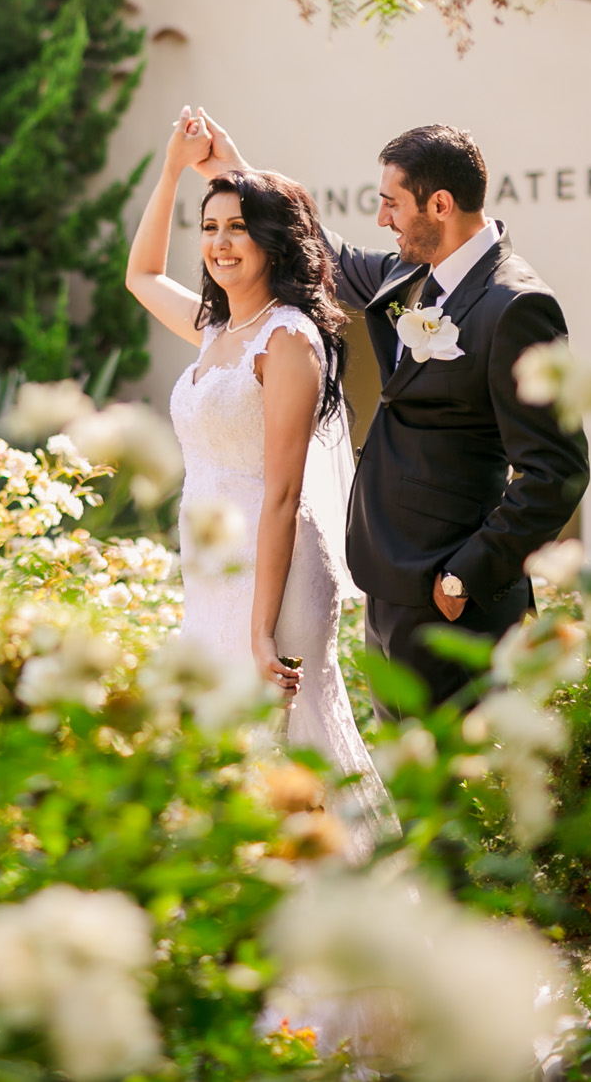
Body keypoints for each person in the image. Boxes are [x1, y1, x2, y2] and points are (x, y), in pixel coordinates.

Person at [193, 112, 589, 707]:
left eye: (392, 203)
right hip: (389, 584)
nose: (382, 219)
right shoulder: (408, 276)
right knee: (407, 783)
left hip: (453, 600)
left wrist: (465, 575)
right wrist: (234, 170)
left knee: (452, 787)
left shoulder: (517, 307)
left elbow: (557, 471)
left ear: (441, 205)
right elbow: (326, 249)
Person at [125, 107, 390, 836]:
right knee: (223, 761)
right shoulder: (218, 330)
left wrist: (261, 632)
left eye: (237, 227)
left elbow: (281, 496)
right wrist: (176, 168)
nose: (219, 244)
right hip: (212, 576)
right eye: (209, 229)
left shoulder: (289, 340)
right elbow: (141, 272)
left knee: (291, 758)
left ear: (273, 240)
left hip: (272, 576)